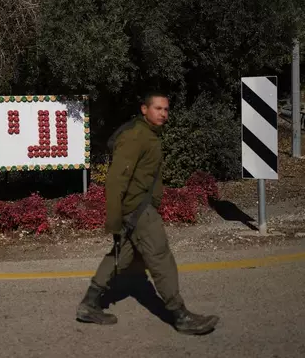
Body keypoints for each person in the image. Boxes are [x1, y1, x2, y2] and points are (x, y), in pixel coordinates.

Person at [75, 92, 219, 335]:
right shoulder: (136, 136)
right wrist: (114, 220)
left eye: (166, 109)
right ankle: (180, 315)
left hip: (138, 208)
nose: (163, 113)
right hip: (137, 210)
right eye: (157, 108)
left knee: (121, 256)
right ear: (144, 109)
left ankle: (89, 304)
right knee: (160, 255)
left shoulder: (149, 135)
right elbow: (116, 180)